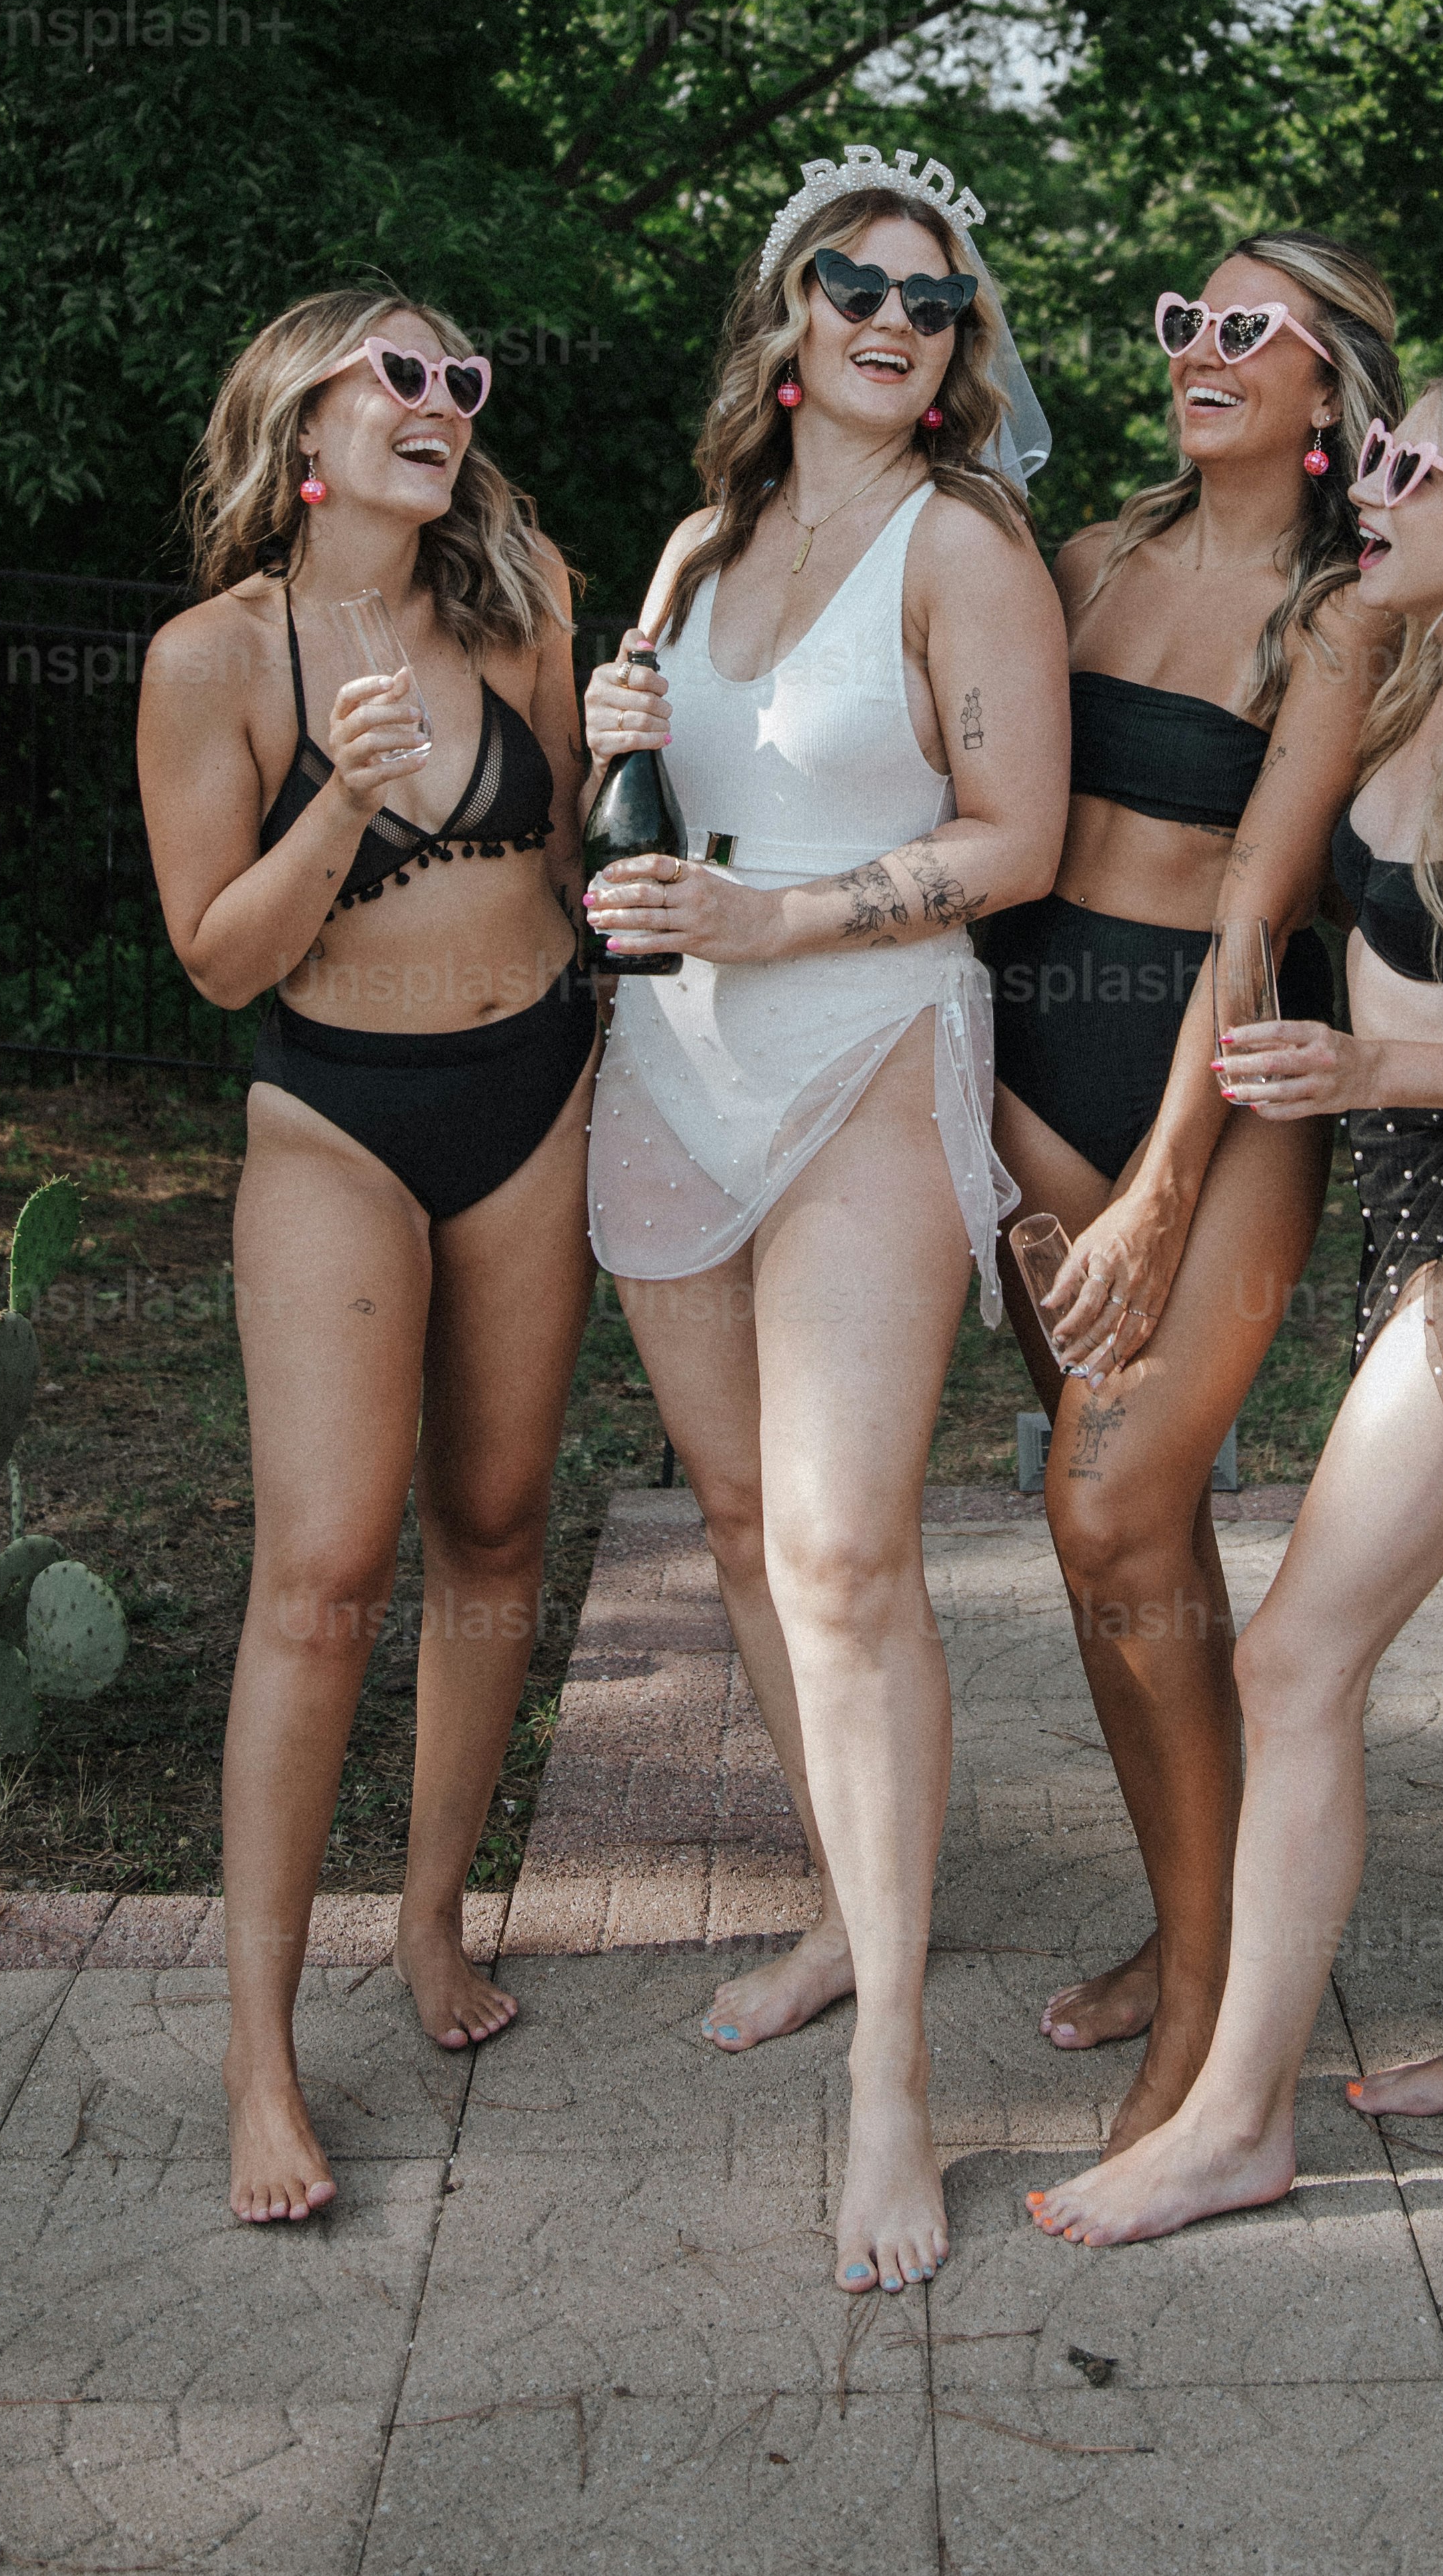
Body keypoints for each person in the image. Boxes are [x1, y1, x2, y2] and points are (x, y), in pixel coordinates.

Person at [1026, 372, 1443, 2250]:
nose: (1366, 483)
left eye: (1413, 471)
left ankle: (1236, 2121)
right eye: (1371, 458)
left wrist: (1367, 1081)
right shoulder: (1409, 706)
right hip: (1438, 1234)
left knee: (1294, 1659)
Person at [579, 146, 1068, 2295]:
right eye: (854, 284)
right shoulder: (704, 539)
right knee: (732, 1530)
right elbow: (667, 803)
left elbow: (1019, 837)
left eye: (935, 301)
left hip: (866, 1046)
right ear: (786, 319)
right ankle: (840, 1910)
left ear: (961, 355)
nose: (893, 317)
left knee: (848, 1551)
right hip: (672, 1069)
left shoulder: (965, 548)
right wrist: (621, 728)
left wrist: (781, 913)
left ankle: (897, 2086)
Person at [139, 289, 593, 2227]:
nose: (441, 401)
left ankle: (428, 1922)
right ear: (299, 418)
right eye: (400, 371)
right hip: (331, 1114)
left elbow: (582, 855)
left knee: (494, 1525)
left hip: (539, 1090)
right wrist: (339, 790)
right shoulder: (212, 656)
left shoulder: (523, 605)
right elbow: (220, 959)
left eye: (462, 378)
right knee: (321, 1574)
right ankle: (259, 2061)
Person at [978, 235, 1402, 2153]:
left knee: (1105, 1493)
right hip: (1023, 1056)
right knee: (1128, 1545)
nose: (1200, 351)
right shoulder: (1081, 562)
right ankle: (1187, 1916)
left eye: (1250, 331)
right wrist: (979, 1121)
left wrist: (1156, 1191)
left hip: (1217, 1076)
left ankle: (1223, 2005)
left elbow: (1258, 903)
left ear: (1330, 393)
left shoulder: (1340, 616)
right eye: (1185, 322)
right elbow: (981, 837)